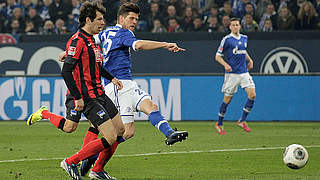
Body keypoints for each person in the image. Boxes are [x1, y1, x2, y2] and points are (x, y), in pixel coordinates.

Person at [59, 2, 188, 179]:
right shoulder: (123, 33)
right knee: (123, 132)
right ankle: (89, 161)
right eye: (131, 18)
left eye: (136, 19)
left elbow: (87, 44)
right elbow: (139, 45)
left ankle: (169, 133)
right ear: (121, 18)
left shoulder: (105, 32)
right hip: (118, 87)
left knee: (147, 108)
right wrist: (165, 44)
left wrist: (66, 53)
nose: (134, 22)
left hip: (120, 83)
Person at [26, 2, 125, 180]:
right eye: (99, 19)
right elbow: (66, 71)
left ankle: (97, 170)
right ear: (88, 20)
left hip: (99, 93)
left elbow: (94, 66)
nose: (103, 22)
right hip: (86, 96)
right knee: (107, 136)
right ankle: (71, 161)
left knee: (120, 130)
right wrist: (78, 98)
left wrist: (111, 78)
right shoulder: (77, 40)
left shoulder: (92, 40)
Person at [215, 17, 256, 135]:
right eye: (233, 25)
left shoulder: (244, 38)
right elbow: (217, 56)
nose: (235, 27)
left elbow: (243, 50)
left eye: (237, 25)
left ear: (240, 26)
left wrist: (250, 60)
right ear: (230, 27)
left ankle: (242, 121)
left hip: (243, 72)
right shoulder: (227, 39)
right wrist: (225, 65)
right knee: (227, 100)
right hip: (232, 74)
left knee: (252, 95)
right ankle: (219, 123)